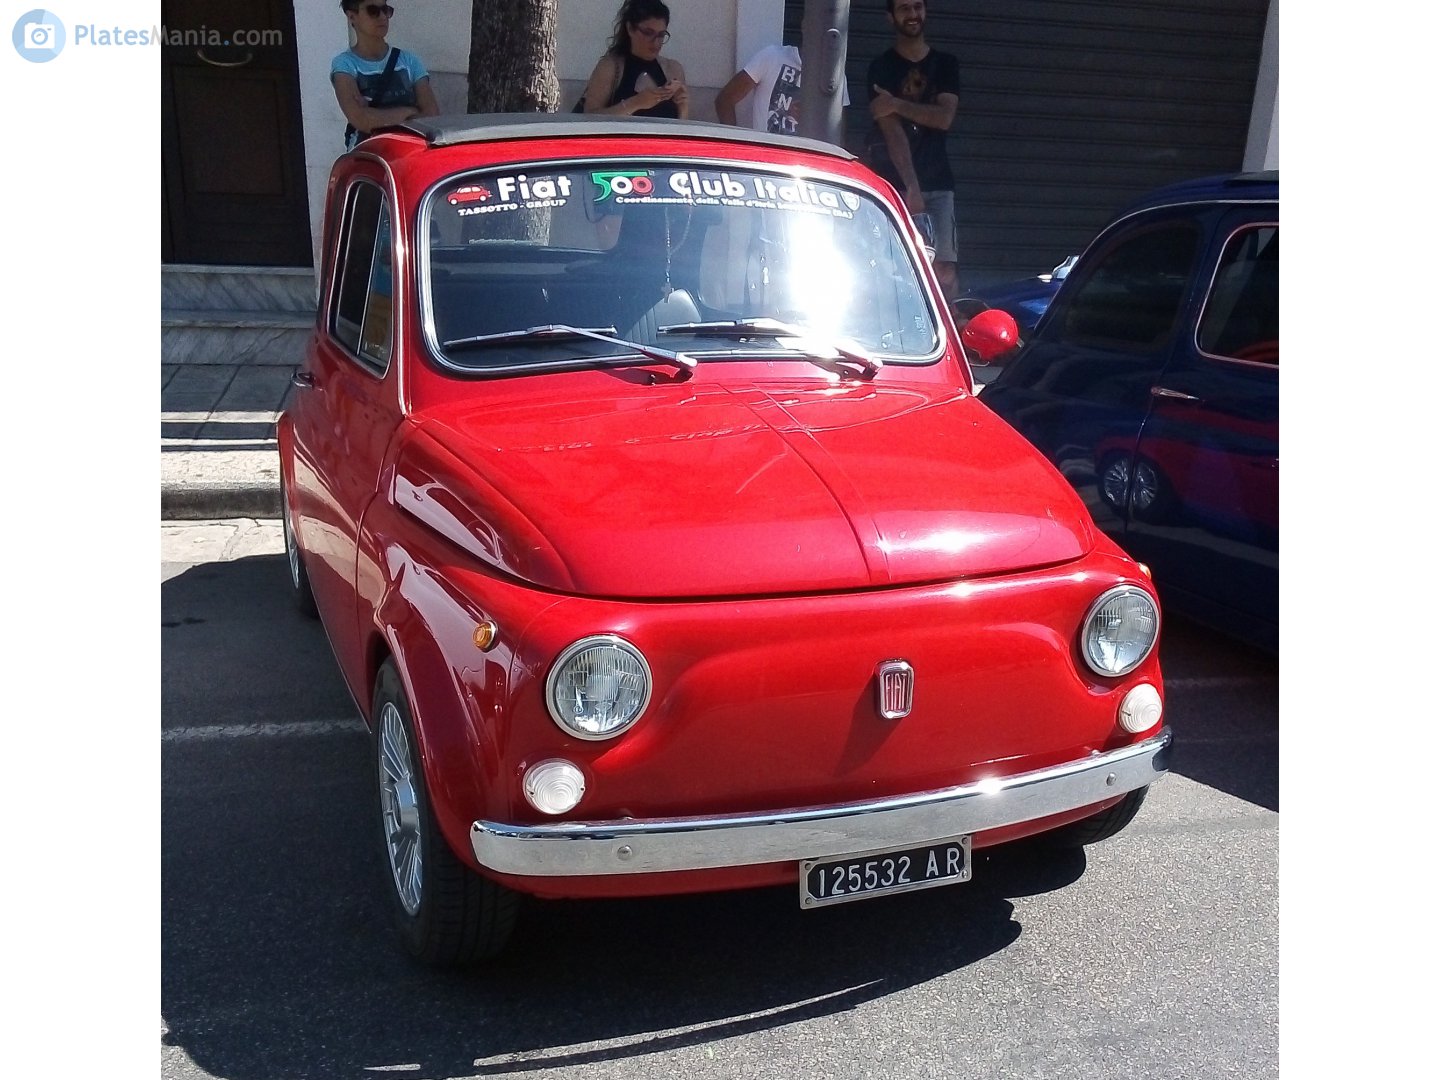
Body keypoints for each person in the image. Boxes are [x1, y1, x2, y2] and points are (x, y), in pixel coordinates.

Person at [866, 0, 960, 298]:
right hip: (896, 186)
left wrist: (895, 103)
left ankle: (949, 337)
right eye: (904, 8)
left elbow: (943, 117)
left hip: (939, 183)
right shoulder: (881, 68)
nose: (913, 14)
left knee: (944, 272)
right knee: (892, 268)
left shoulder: (945, 64)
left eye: (918, 6)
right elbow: (891, 131)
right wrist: (911, 187)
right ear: (889, 17)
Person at [331, 1, 439, 151]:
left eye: (385, 10)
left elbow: (432, 116)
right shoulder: (345, 64)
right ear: (352, 17)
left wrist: (375, 115)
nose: (382, 17)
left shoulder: (410, 61)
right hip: (368, 156)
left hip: (410, 153)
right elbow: (361, 119)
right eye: (373, 10)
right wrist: (411, 111)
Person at [580, 0, 689, 119]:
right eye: (648, 33)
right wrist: (635, 103)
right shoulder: (610, 67)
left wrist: (683, 106)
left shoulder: (673, 69)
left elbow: (681, 125)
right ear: (630, 29)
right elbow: (589, 118)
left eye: (661, 35)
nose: (656, 42)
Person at [714, 40, 848, 136]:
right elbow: (725, 100)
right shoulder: (772, 57)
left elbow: (838, 131)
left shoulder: (835, 77)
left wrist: (811, 118)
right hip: (768, 161)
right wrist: (735, 145)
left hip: (808, 165)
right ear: (805, 25)